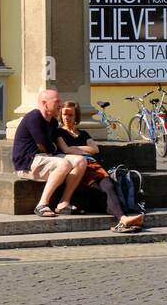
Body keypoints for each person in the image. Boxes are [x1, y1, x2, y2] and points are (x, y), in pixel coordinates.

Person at [58, 100, 144, 234]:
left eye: (70, 115)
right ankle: (123, 218)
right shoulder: (59, 133)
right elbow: (65, 149)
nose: (67, 118)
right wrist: (83, 150)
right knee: (101, 193)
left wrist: (75, 147)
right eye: (64, 114)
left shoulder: (83, 133)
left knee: (109, 186)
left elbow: (95, 149)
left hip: (95, 167)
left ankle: (123, 219)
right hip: (81, 169)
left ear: (76, 117)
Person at [12, 88, 87, 218]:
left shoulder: (52, 122)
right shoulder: (34, 117)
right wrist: (48, 147)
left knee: (81, 161)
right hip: (27, 162)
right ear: (44, 103)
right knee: (64, 164)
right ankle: (42, 204)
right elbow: (45, 145)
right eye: (57, 101)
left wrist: (48, 147)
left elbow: (50, 147)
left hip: (46, 158)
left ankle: (63, 203)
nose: (61, 104)